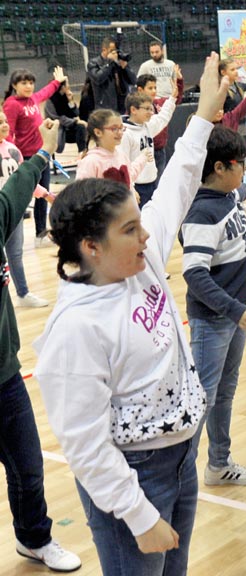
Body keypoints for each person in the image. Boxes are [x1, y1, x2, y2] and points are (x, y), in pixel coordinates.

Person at [33, 52, 228, 576]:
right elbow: (86, 446)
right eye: (129, 230)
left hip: (182, 454)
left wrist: (205, 114)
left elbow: (178, 185)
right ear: (91, 247)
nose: (147, 235)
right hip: (134, 477)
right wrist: (139, 516)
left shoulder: (138, 262)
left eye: (140, 224)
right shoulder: (75, 329)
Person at [0, 117, 81, 572]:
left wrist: (44, 153)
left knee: (28, 469)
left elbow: (19, 185)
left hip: (5, 377)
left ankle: (35, 539)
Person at [182, 125, 246, 488]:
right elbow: (195, 275)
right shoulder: (202, 214)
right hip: (214, 320)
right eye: (240, 164)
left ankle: (218, 463)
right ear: (218, 168)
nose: (244, 170)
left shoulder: (230, 195)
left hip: (234, 317)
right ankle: (178, 473)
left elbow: (243, 189)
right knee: (203, 397)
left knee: (224, 392)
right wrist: (234, 309)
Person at [4, 66, 65, 247]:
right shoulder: (12, 104)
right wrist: (11, 156)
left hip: (42, 155)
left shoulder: (33, 99)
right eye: (24, 83)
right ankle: (11, 238)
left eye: (31, 82)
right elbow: (8, 133)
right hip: (26, 158)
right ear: (15, 85)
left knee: (42, 195)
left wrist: (57, 82)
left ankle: (40, 234)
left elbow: (45, 92)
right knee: (21, 197)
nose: (29, 86)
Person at [0, 112, 52, 310]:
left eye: (6, 121)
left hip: (15, 211)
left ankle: (23, 293)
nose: (5, 125)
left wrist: (45, 193)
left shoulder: (13, 149)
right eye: (0, 122)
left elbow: (24, 179)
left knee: (15, 254)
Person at [120, 89, 177, 206]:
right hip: (137, 188)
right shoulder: (125, 134)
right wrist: (131, 188)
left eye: (151, 109)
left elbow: (163, 118)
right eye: (147, 109)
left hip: (152, 183)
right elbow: (122, 166)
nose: (151, 112)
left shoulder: (148, 126)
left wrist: (172, 98)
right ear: (133, 110)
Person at [77, 109, 148, 195]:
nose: (120, 132)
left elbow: (129, 177)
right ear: (98, 132)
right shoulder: (91, 162)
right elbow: (81, 194)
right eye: (114, 129)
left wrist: (143, 159)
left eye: (121, 128)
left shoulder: (121, 156)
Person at [136, 70, 185, 179]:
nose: (154, 91)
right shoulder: (135, 110)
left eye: (155, 87)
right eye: (150, 88)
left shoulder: (159, 103)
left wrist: (179, 81)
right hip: (145, 151)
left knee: (160, 182)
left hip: (160, 150)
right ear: (140, 90)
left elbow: (175, 99)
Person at [86, 37, 136, 114]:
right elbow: (98, 79)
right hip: (104, 108)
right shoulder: (94, 63)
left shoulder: (118, 63)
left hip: (122, 106)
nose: (115, 53)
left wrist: (125, 68)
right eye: (112, 51)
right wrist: (109, 63)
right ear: (104, 50)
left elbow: (133, 81)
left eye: (116, 51)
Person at [44, 80, 88, 154]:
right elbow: (58, 119)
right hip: (59, 130)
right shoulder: (50, 101)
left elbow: (76, 113)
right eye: (67, 83)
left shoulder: (65, 97)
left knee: (82, 128)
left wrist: (71, 101)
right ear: (63, 87)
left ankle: (82, 152)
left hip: (68, 128)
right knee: (80, 125)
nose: (69, 86)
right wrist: (76, 121)